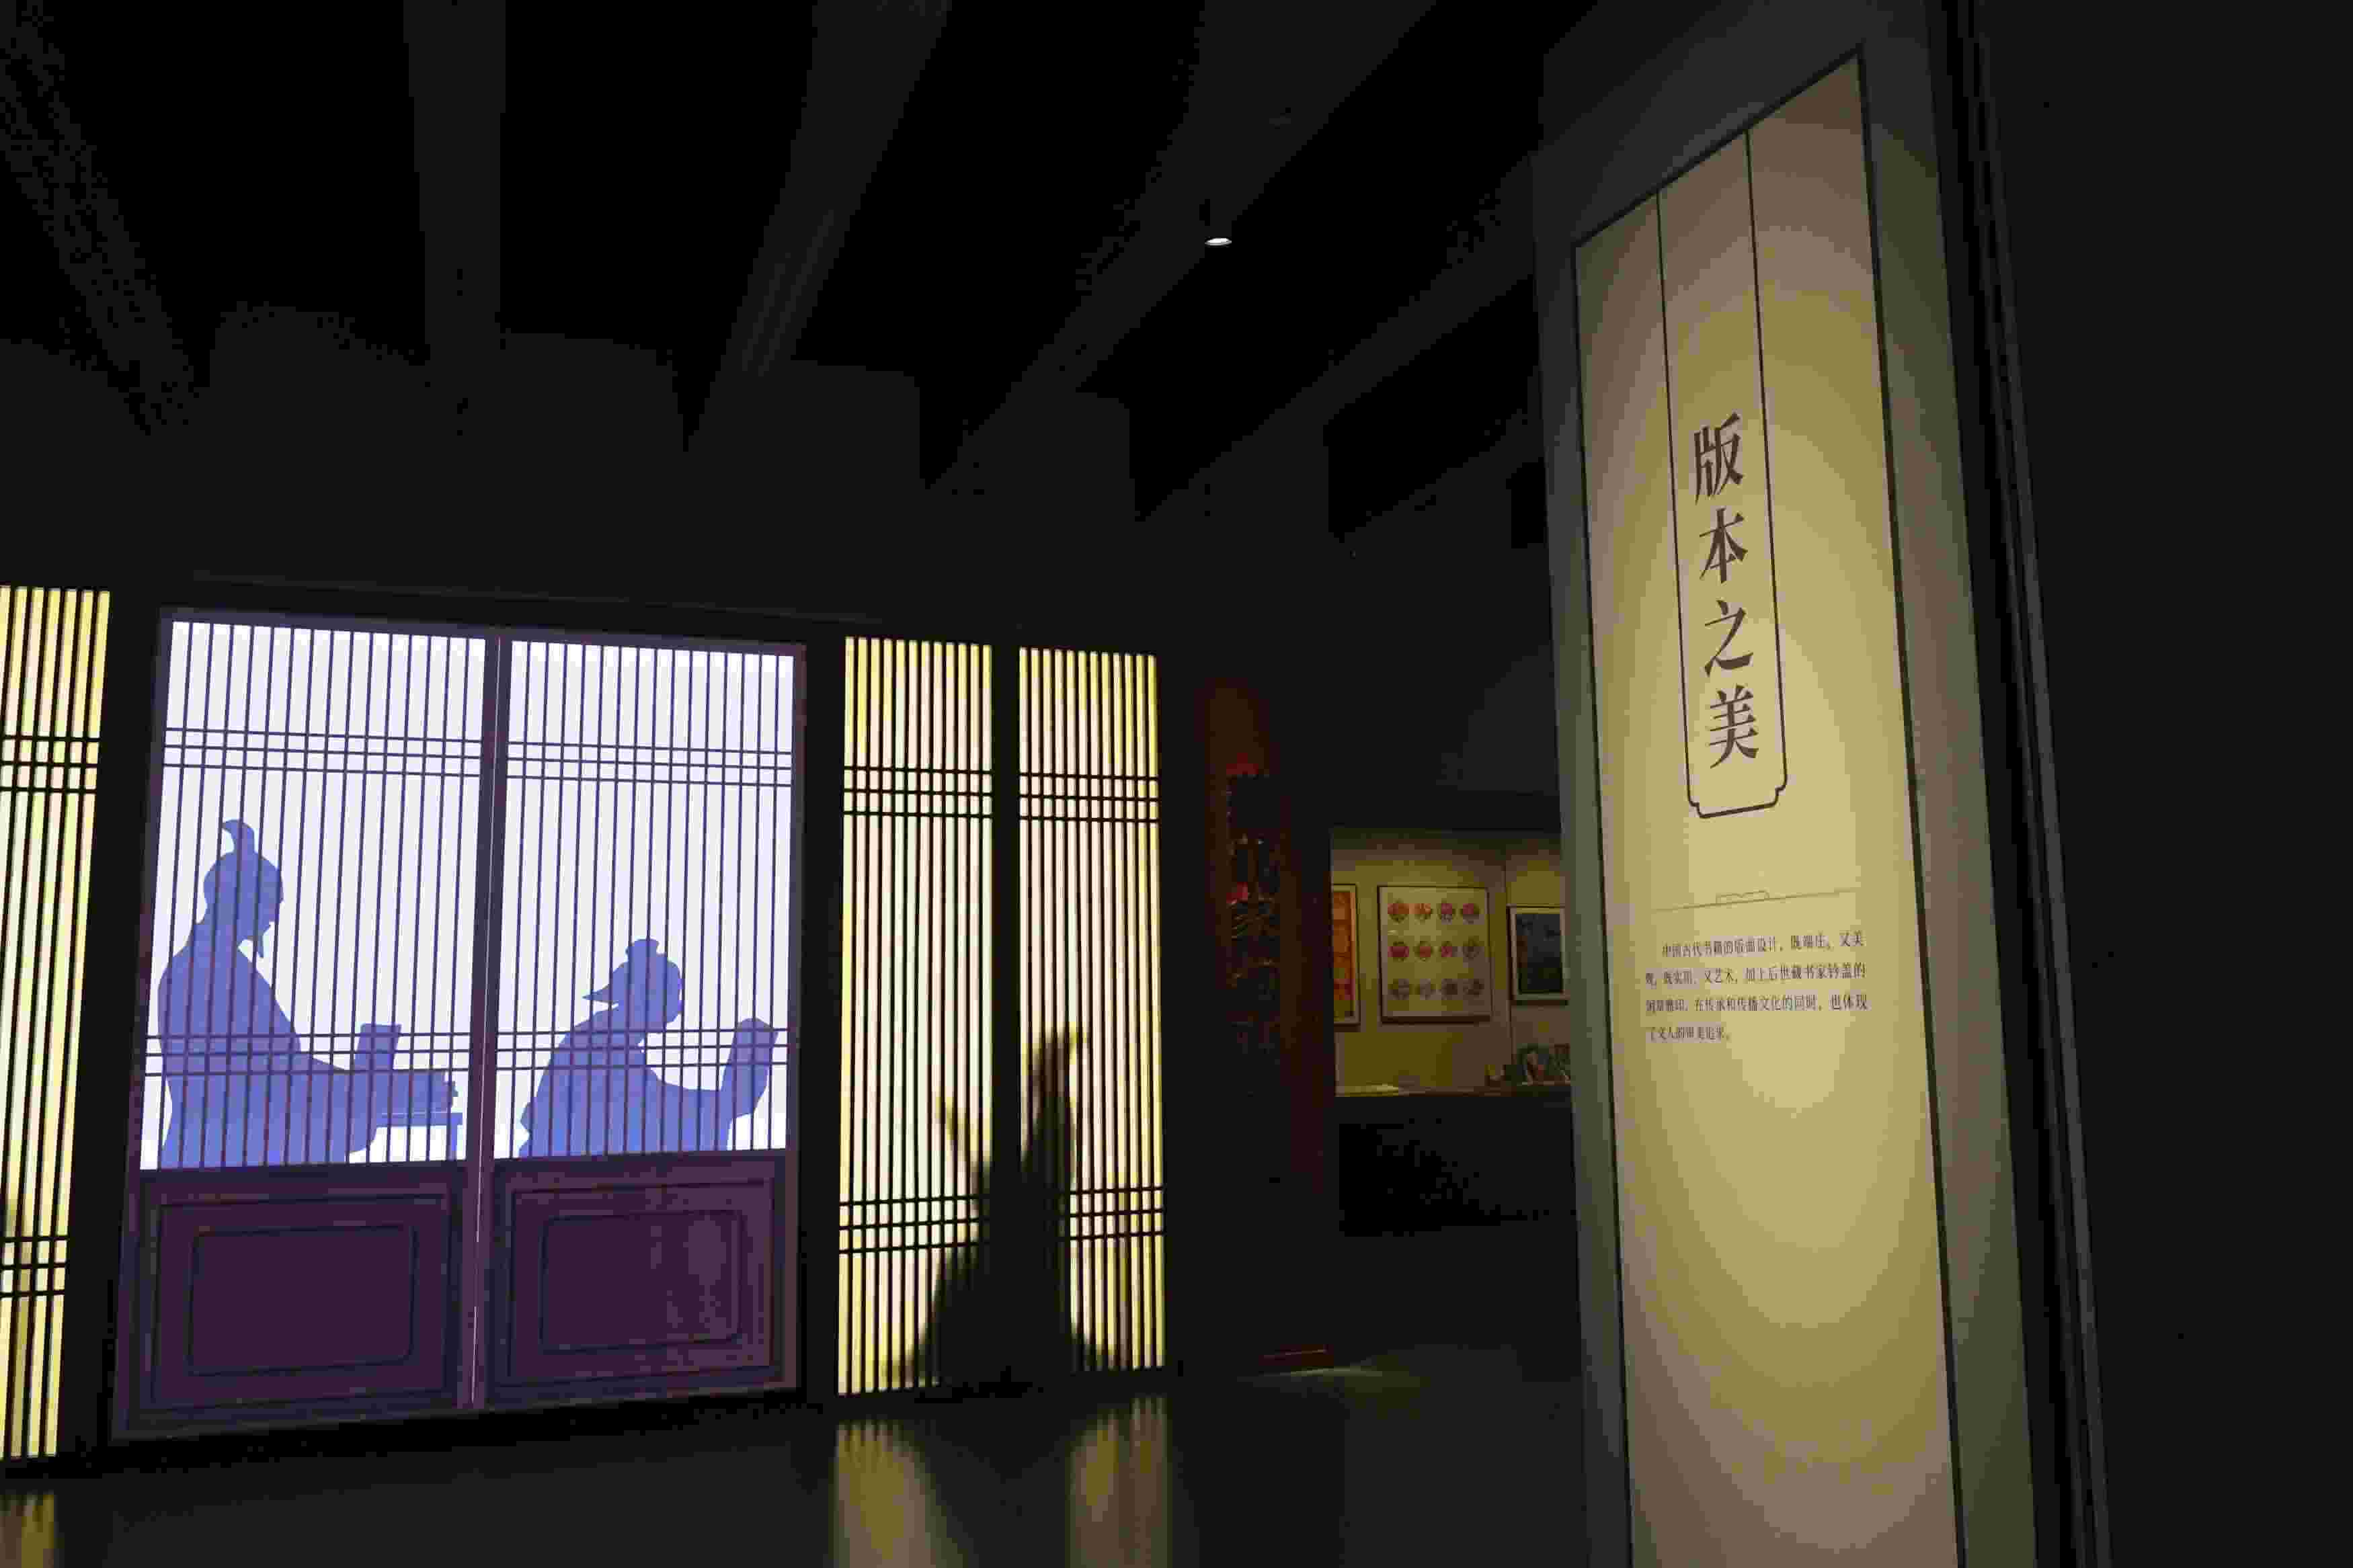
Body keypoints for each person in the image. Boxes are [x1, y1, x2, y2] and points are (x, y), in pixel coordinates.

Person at [152, 821, 457, 1167]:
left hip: (222, 1148)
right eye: (268, 904)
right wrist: (366, 1089)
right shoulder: (207, 970)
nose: (272, 918)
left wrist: (365, 1088)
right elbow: (267, 1075)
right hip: (225, 1156)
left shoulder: (211, 967)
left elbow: (277, 1068)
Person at [515, 938, 775, 1157]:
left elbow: (648, 1099)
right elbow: (641, 1104)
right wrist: (719, 1106)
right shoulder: (598, 1038)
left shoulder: (609, 1036)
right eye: (670, 995)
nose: (676, 1008)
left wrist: (721, 1104)